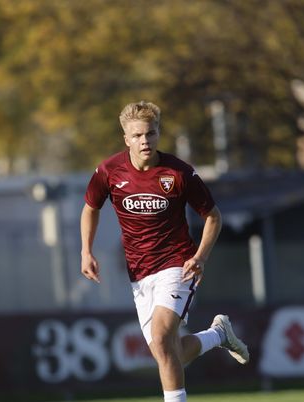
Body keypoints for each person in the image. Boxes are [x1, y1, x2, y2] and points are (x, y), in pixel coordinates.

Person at [80, 101, 249, 402]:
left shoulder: (179, 173)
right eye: (138, 136)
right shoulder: (109, 171)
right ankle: (219, 334)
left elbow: (213, 216)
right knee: (167, 353)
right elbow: (91, 208)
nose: (145, 141)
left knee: (161, 338)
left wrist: (200, 257)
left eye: (151, 133)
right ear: (126, 139)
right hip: (139, 273)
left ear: (158, 133)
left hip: (177, 264)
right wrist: (86, 251)